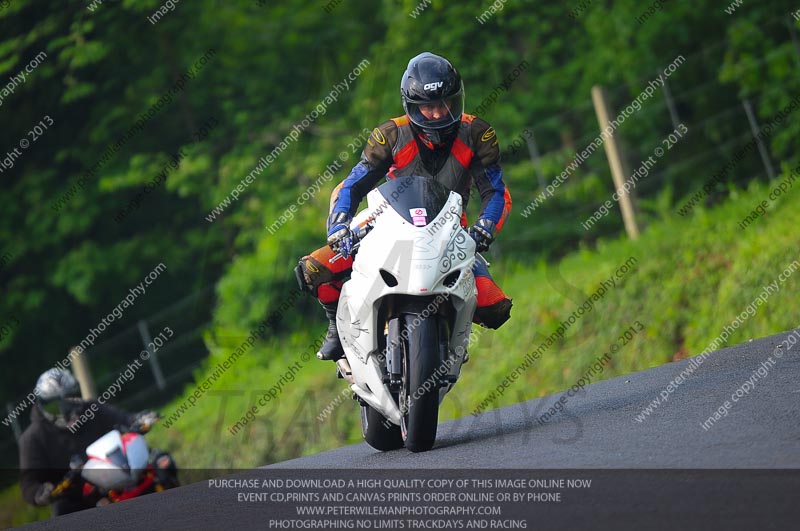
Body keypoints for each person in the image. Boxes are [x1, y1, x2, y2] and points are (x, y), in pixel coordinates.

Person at [296, 51, 512, 362]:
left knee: (494, 306)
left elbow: (496, 191)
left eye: (444, 104)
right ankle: (334, 324)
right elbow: (353, 185)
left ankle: (451, 336)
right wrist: (340, 224)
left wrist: (485, 227)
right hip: (386, 221)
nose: (437, 114)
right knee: (313, 269)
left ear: (457, 100)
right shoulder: (390, 135)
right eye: (427, 106)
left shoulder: (478, 134)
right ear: (411, 105)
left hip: (450, 229)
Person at [19, 368, 175, 516]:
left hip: (119, 475)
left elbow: (123, 419)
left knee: (162, 462)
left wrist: (139, 419)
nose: (67, 410)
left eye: (71, 399)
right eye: (56, 406)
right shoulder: (33, 438)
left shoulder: (92, 409)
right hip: (76, 496)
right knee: (64, 512)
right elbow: (29, 484)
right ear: (41, 406)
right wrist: (41, 493)